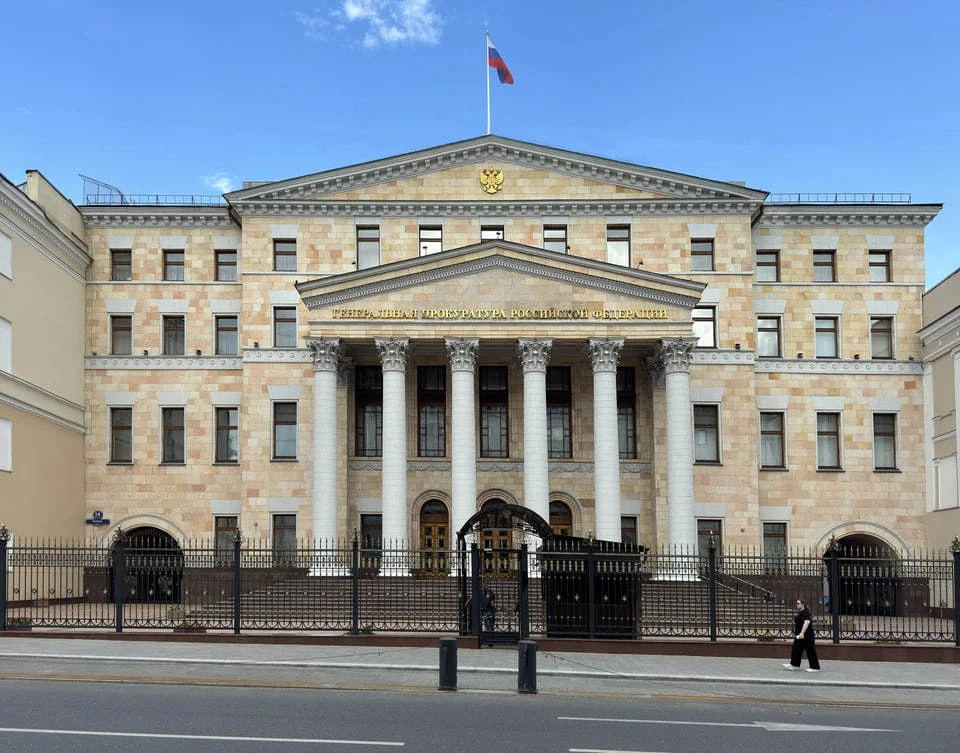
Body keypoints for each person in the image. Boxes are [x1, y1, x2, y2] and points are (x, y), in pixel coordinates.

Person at [783, 598, 821, 672]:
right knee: (796, 649)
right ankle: (793, 664)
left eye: (798, 603)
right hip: (800, 636)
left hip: (807, 636)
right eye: (796, 603)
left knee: (810, 650)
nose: (797, 605)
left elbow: (807, 622)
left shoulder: (806, 612)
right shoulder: (801, 612)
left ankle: (815, 667)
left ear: (802, 604)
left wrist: (802, 633)